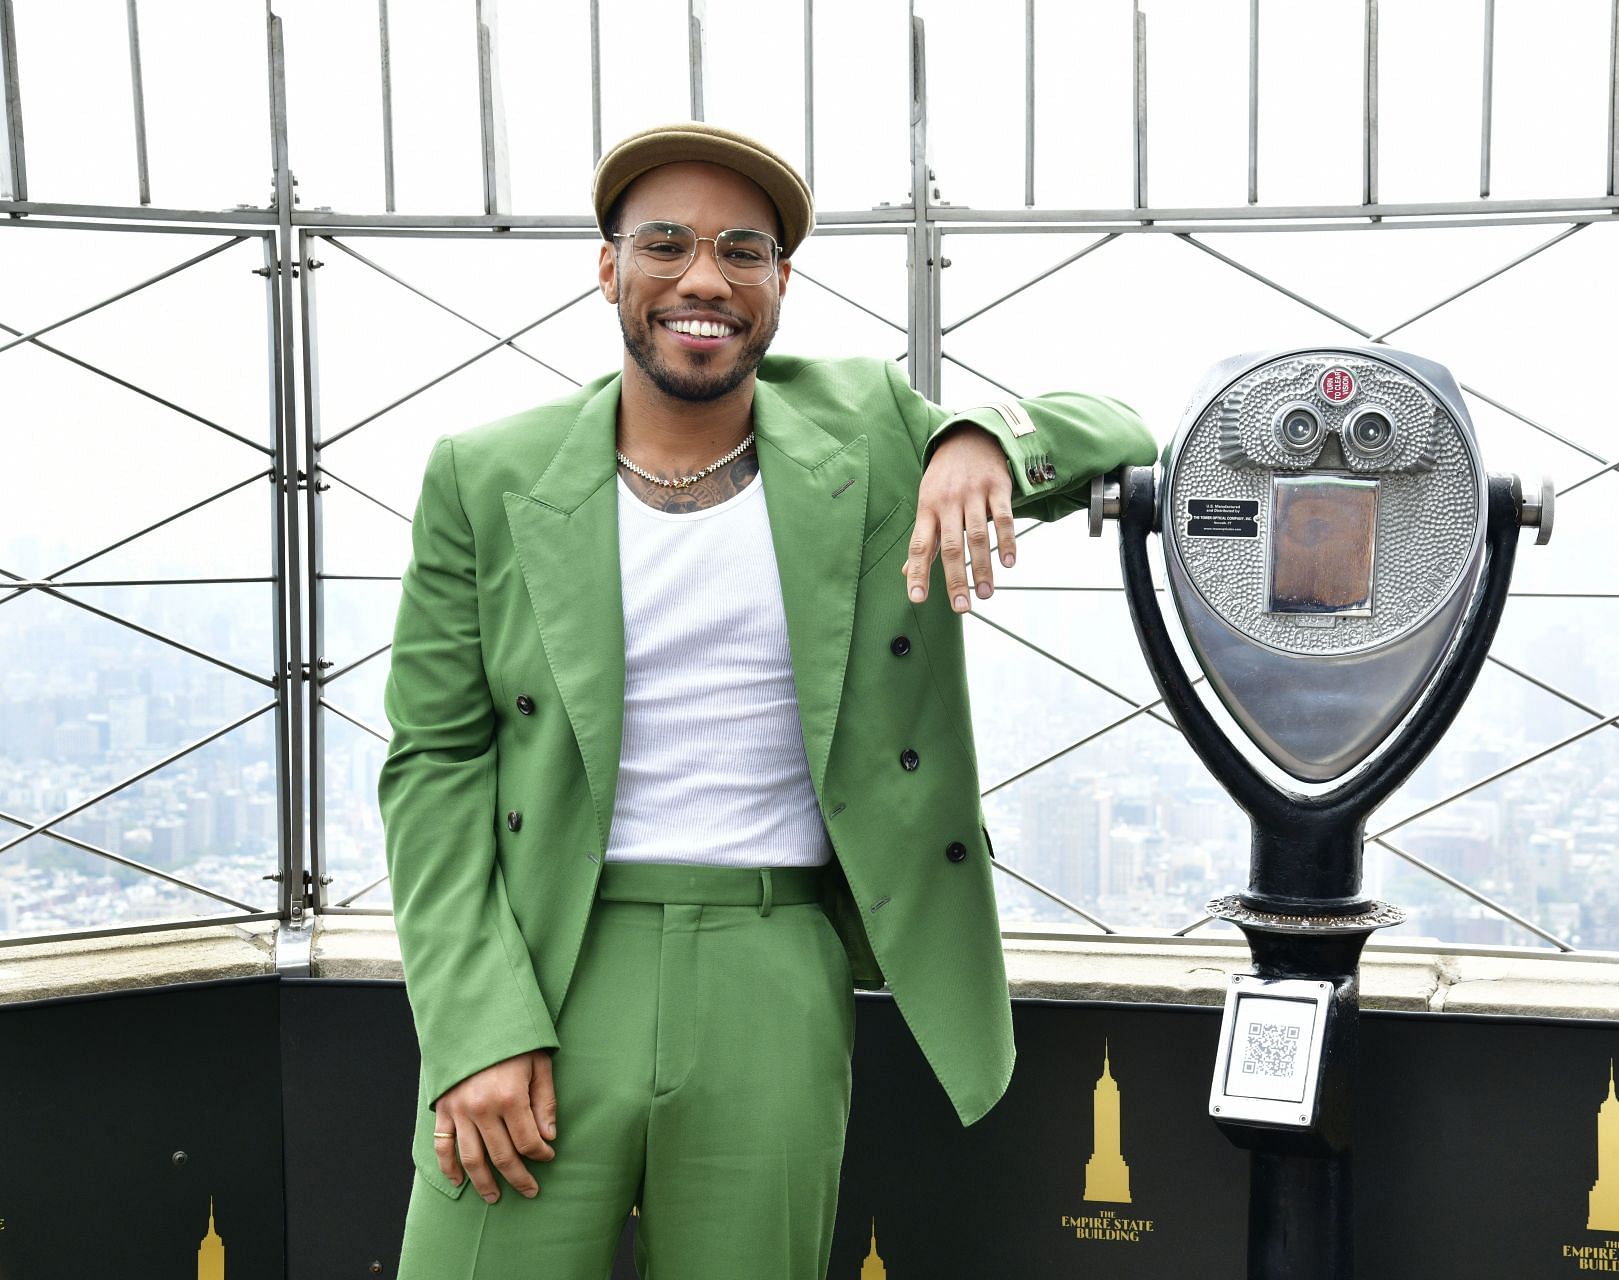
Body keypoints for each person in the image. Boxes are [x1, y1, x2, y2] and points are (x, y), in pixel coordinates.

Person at [379, 121, 1157, 1278]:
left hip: (773, 963)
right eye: (667, 244)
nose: (705, 276)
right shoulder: (485, 473)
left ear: (779, 284)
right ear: (608, 269)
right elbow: (432, 762)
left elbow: (1120, 428)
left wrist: (982, 436)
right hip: (546, 958)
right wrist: (477, 1023)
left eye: (744, 250)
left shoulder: (868, 428)